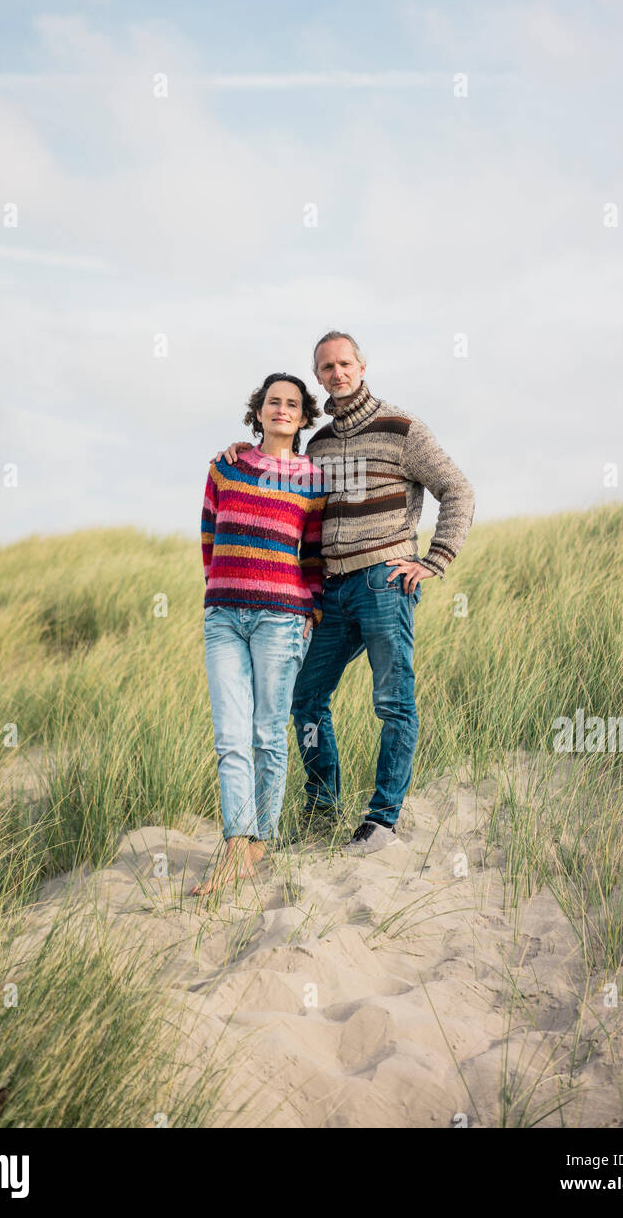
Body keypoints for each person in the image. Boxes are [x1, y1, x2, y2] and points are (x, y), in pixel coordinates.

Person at [215, 330, 475, 856]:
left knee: (393, 702)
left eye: (344, 364)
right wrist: (244, 450)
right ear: (319, 377)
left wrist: (435, 560)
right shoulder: (320, 444)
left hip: (385, 581)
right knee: (306, 698)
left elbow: (458, 489)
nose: (337, 373)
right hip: (331, 591)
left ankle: (381, 821)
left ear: (362, 365)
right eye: (326, 367)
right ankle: (322, 804)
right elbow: (284, 478)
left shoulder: (402, 429)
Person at [193, 373, 328, 894]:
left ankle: (257, 844)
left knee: (269, 736)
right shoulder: (225, 466)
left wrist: (310, 612)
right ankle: (235, 843)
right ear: (259, 410)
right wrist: (221, 588)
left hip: (283, 619)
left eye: (292, 403)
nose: (282, 409)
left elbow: (313, 556)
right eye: (274, 401)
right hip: (224, 617)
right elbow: (209, 535)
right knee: (230, 737)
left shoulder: (313, 481)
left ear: (303, 415)